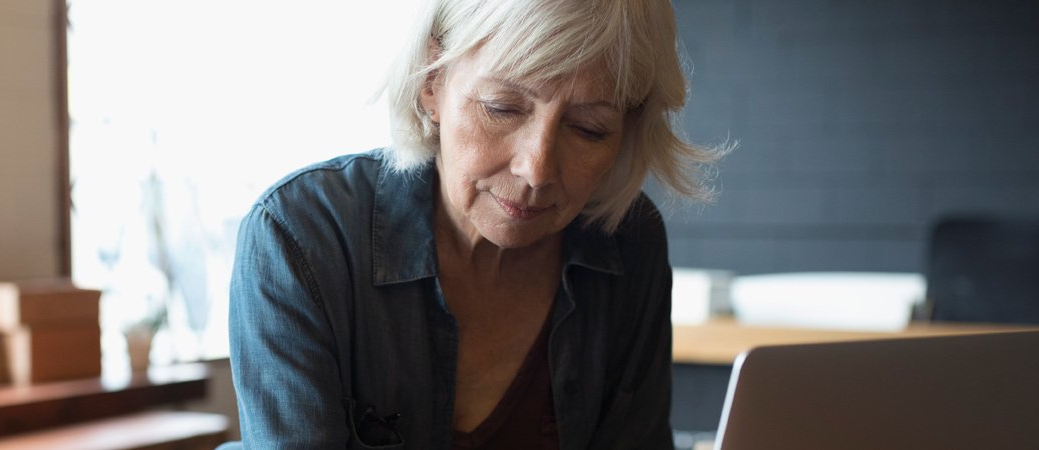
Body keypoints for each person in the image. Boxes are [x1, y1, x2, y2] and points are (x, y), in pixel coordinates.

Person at [227, 0, 722, 448]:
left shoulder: (627, 244)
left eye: (589, 128)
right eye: (502, 108)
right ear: (431, 81)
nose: (537, 168)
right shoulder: (301, 238)